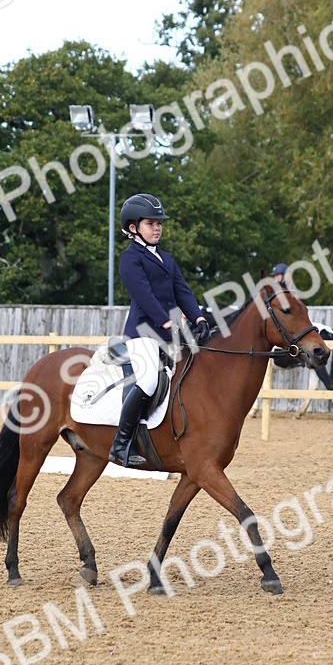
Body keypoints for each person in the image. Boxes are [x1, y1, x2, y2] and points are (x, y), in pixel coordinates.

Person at [110, 193, 210, 468]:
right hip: (143, 333)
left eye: (159, 223)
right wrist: (167, 321)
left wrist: (198, 318)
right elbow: (143, 294)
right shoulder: (129, 258)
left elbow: (182, 291)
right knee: (149, 382)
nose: (157, 228)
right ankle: (120, 444)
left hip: (169, 334)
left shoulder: (166, 258)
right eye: (150, 223)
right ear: (133, 228)